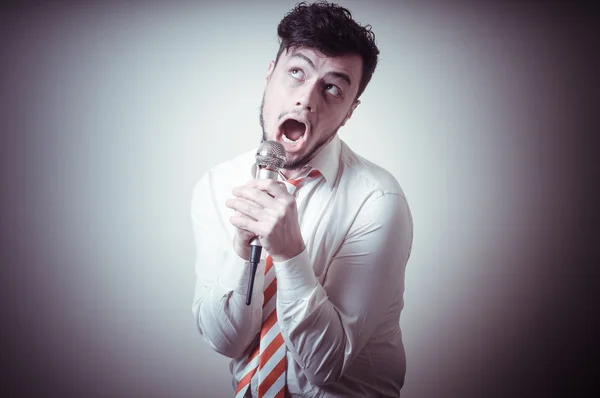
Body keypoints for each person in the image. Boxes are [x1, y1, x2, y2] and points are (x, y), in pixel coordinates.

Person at [191, 2, 413, 397]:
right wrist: (241, 251)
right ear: (269, 75)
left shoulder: (378, 201)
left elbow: (325, 365)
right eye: (296, 72)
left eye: (332, 87)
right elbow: (224, 341)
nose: (306, 99)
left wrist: (291, 253)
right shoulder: (217, 184)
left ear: (349, 111)